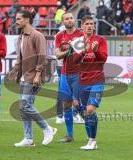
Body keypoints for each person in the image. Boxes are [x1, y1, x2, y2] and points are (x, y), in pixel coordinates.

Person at [9, 10, 57, 147]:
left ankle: (47, 129)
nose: (16, 21)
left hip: (34, 76)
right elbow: (20, 57)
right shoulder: (21, 37)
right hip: (24, 76)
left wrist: (37, 74)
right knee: (23, 108)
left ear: (27, 20)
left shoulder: (37, 35)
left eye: (19, 19)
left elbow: (42, 57)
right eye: (16, 18)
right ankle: (28, 139)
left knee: (25, 105)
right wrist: (14, 71)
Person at [73, 15, 107, 150]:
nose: (89, 26)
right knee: (84, 110)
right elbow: (74, 62)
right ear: (82, 26)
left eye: (91, 24)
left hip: (97, 79)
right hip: (82, 81)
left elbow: (103, 59)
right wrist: (83, 52)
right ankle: (90, 139)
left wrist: (95, 50)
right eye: (86, 24)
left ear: (94, 26)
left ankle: (93, 141)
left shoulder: (100, 41)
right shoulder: (77, 42)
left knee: (90, 109)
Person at [55, 12, 84, 143]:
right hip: (65, 73)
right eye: (66, 19)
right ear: (62, 22)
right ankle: (69, 135)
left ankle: (91, 134)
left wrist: (76, 50)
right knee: (66, 103)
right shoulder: (59, 36)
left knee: (78, 104)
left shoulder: (81, 35)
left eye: (71, 18)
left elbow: (85, 52)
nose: (69, 20)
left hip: (79, 73)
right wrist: (69, 50)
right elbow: (58, 55)